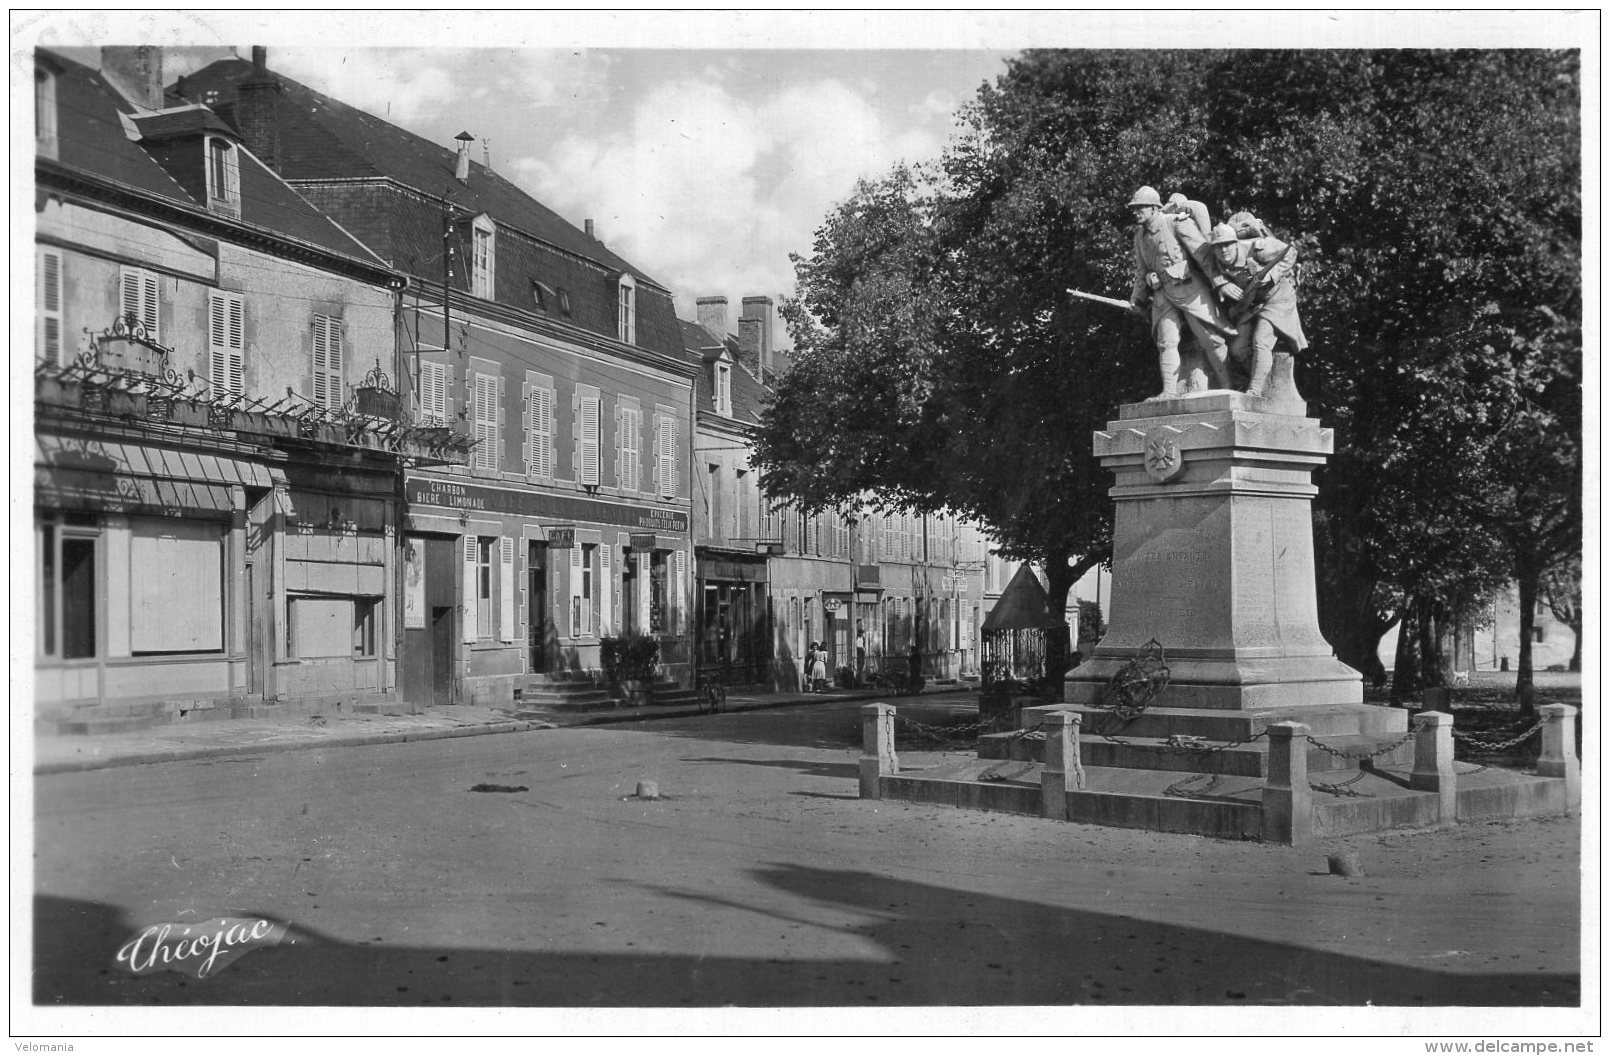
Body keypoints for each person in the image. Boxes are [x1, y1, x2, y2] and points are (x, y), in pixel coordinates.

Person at [1127, 186, 1236, 399]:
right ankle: (1168, 392)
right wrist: (1137, 299)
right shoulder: (1139, 236)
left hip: (1190, 290)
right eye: (1134, 208)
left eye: (1140, 207)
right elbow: (1142, 271)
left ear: (1153, 208)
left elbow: (1203, 253)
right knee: (1166, 341)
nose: (1135, 211)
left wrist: (1220, 282)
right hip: (1163, 294)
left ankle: (1230, 388)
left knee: (1211, 339)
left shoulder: (1176, 223)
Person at [1206, 222, 1308, 395]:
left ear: (1235, 243)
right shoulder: (1216, 261)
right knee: (1238, 350)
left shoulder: (1259, 248)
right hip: (1253, 304)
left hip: (1277, 299)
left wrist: (1272, 274)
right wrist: (1221, 285)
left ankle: (1255, 390)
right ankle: (1262, 379)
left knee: (1261, 341)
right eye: (1218, 247)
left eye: (1227, 245)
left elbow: (1290, 252)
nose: (1223, 251)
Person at [854, 621, 868, 687]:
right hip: (858, 649)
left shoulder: (863, 638)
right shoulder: (857, 637)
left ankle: (860, 674)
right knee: (859, 662)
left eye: (862, 633)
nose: (862, 634)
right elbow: (856, 644)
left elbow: (864, 644)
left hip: (862, 649)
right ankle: (858, 675)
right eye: (861, 633)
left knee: (862, 662)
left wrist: (864, 649)